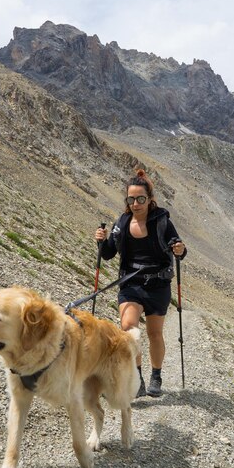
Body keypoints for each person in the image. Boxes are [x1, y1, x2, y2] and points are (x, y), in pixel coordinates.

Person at [95, 169, 186, 398]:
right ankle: (138, 379)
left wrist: (180, 250)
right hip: (130, 284)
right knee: (128, 327)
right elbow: (107, 254)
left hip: (158, 285)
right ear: (127, 200)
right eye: (131, 199)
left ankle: (156, 376)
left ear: (150, 199)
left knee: (155, 334)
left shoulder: (162, 221)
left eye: (141, 199)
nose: (136, 203)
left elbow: (178, 249)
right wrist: (101, 241)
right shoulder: (122, 223)